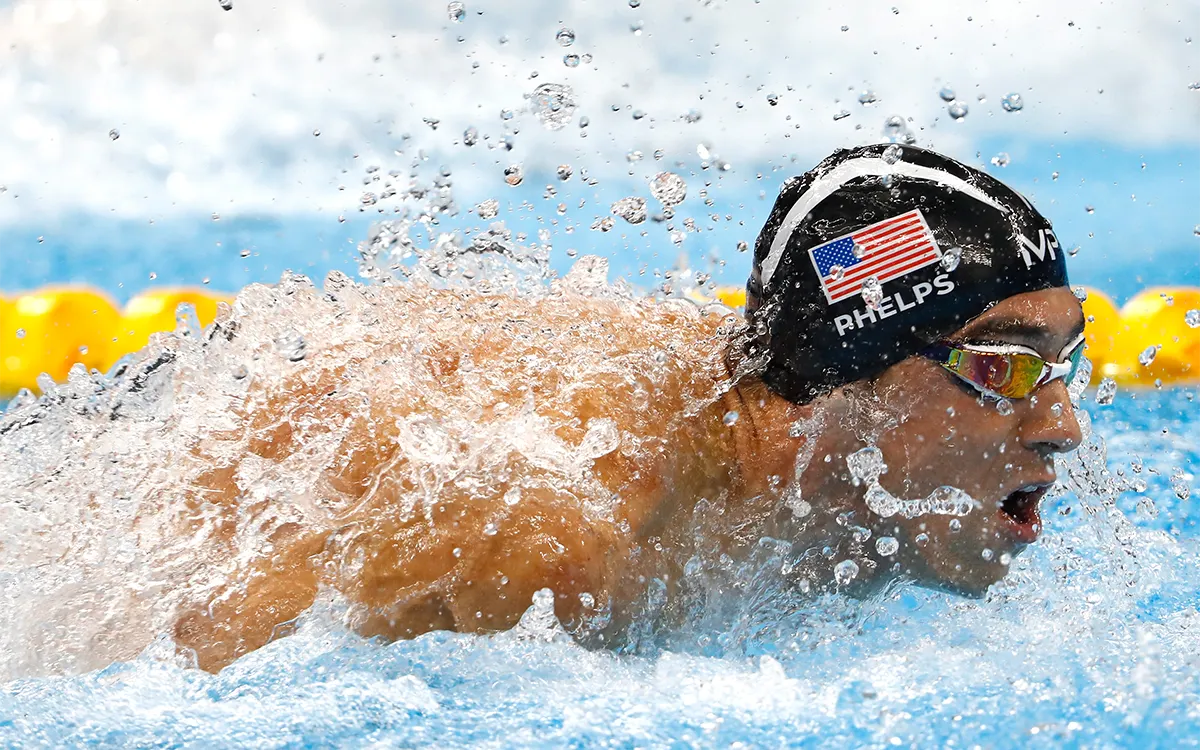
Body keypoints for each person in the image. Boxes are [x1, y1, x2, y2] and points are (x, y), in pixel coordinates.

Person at [173, 144, 1085, 671]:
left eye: (1061, 368)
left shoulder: (833, 504)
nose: (1061, 427)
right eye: (1003, 368)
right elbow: (210, 672)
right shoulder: (562, 538)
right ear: (843, 376)